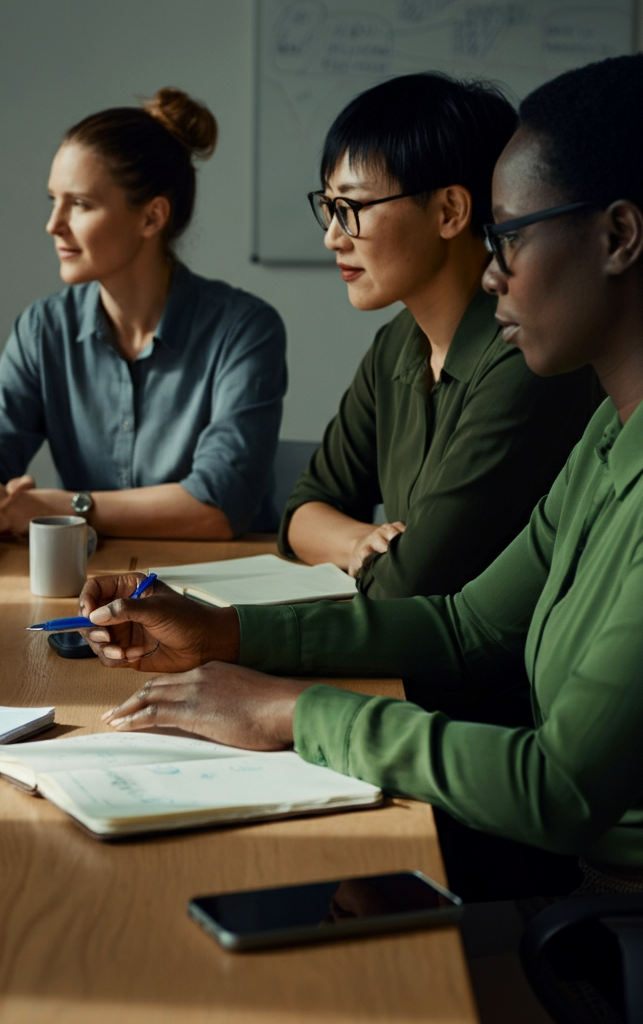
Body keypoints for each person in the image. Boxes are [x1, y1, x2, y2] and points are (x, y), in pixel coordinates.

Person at [79, 55, 643, 901]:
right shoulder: (611, 430)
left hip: (589, 913)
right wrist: (226, 637)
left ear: (619, 236)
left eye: (513, 237)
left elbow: (555, 789)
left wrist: (284, 710)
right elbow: (462, 626)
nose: (493, 271)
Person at [280, 73, 599, 598]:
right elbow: (301, 512)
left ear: (450, 211)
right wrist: (361, 542)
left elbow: (409, 585)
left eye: (352, 209)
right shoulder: (396, 344)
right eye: (329, 207)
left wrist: (364, 556)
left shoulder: (526, 357)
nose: (331, 236)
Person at [0, 89, 286, 540]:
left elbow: (217, 507)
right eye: (53, 200)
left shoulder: (245, 329)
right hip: (90, 587)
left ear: (151, 217)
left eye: (80, 204)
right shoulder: (43, 328)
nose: (53, 224)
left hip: (220, 591)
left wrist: (62, 508)